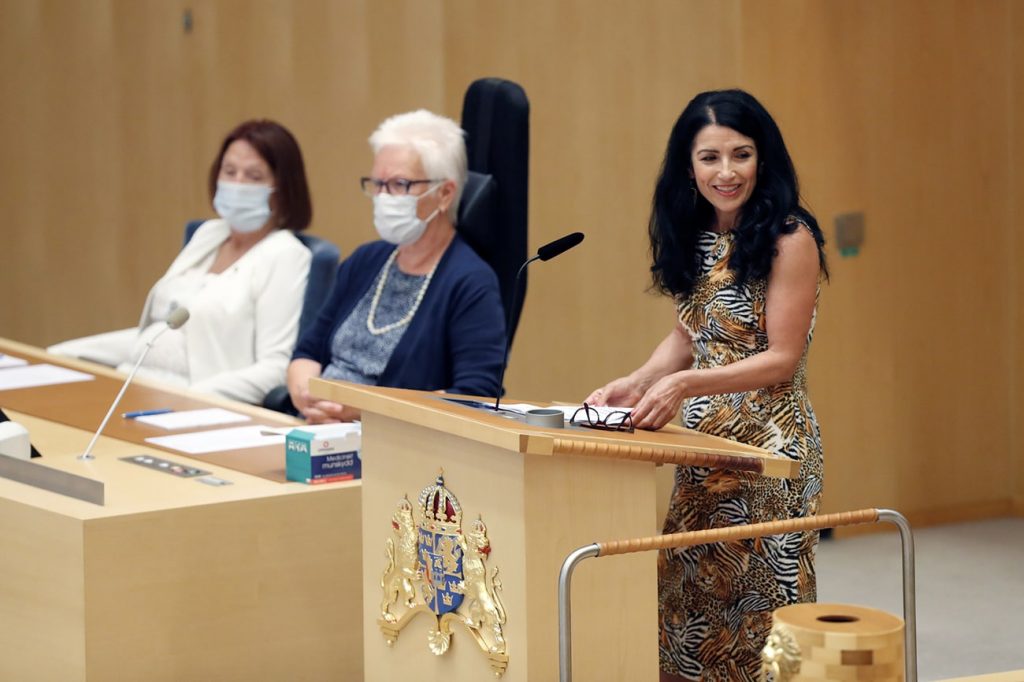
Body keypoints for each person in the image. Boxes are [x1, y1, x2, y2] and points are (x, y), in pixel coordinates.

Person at [585, 89, 828, 681]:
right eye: (710, 158)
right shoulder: (694, 231)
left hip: (769, 450)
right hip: (703, 450)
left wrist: (685, 386)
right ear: (687, 166)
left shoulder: (790, 238)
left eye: (741, 155)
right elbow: (690, 331)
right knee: (685, 614)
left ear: (762, 160)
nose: (726, 172)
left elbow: (781, 359)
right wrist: (638, 380)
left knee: (758, 625)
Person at [49, 120, 313, 404]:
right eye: (229, 171)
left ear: (283, 188)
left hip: (195, 404)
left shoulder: (285, 255)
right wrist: (63, 356)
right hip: (134, 385)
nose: (237, 184)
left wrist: (190, 400)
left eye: (253, 176)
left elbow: (274, 368)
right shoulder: (209, 234)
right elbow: (156, 335)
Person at [286, 109, 505, 423]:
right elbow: (307, 353)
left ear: (445, 193)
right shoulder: (365, 260)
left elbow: (475, 396)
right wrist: (306, 395)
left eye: (400, 185)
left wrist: (364, 411)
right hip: (316, 429)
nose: (384, 197)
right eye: (378, 184)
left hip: (398, 449)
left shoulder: (471, 282)